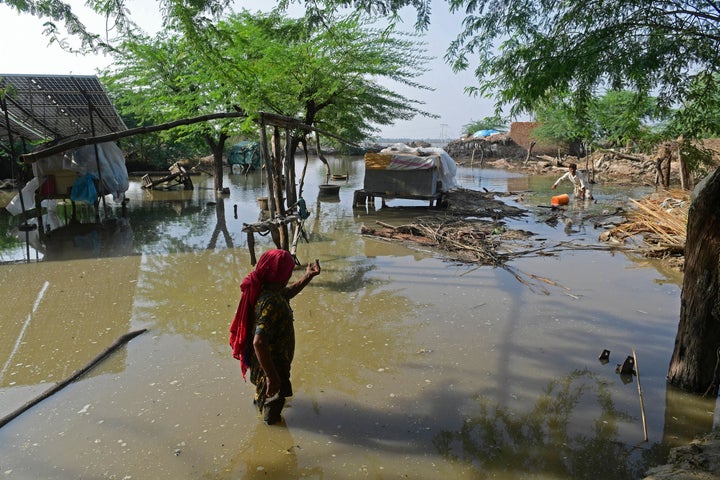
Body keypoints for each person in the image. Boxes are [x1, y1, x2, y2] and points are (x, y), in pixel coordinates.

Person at [229, 249, 321, 425]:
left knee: (262, 395)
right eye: (289, 272)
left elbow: (288, 292)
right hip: (273, 365)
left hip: (262, 363)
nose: (290, 275)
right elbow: (259, 341)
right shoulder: (273, 302)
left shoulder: (263, 291)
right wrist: (273, 377)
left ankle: (261, 409)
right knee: (273, 409)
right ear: (281, 276)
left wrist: (308, 276)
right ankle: (270, 430)